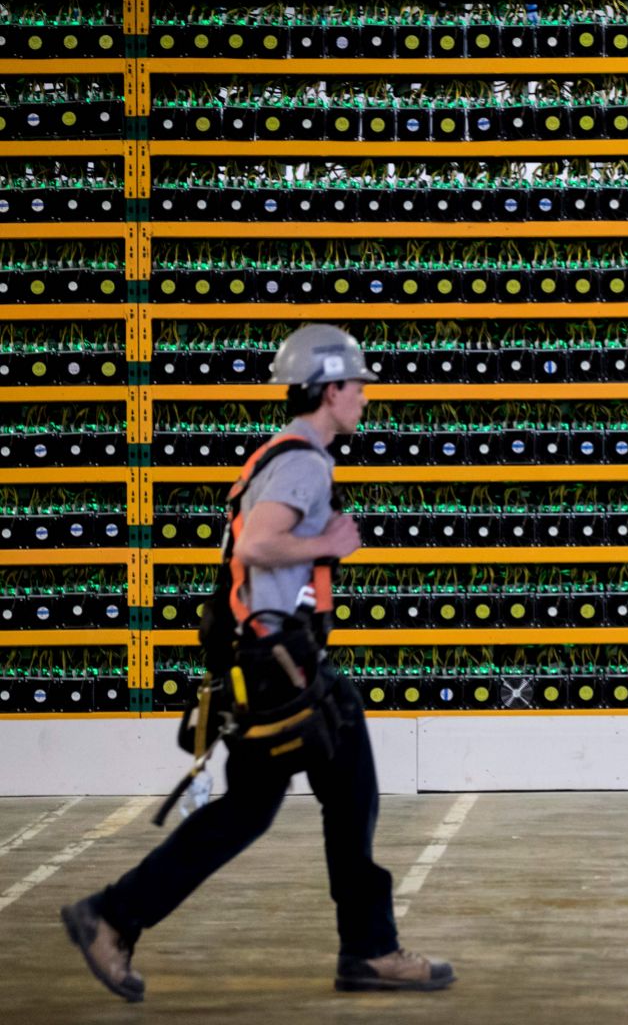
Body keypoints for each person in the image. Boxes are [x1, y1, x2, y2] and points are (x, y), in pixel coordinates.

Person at [60, 324, 454, 1002]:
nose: (364, 395)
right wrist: (329, 539)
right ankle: (369, 950)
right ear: (329, 389)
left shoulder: (287, 455)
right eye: (356, 384)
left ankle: (114, 916)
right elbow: (256, 548)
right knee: (346, 793)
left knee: (252, 811)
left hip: (269, 660)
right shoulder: (302, 462)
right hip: (286, 667)